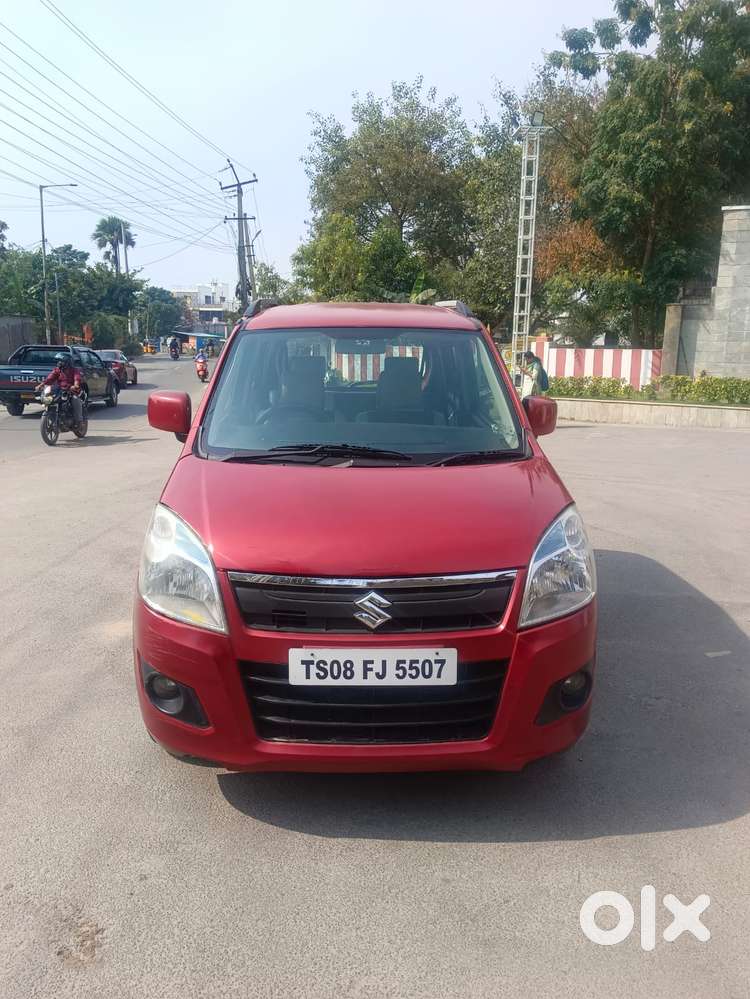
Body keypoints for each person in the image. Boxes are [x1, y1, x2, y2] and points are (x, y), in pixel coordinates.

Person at [37, 353, 84, 427]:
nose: (59, 363)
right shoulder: (57, 370)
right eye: (58, 361)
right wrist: (41, 385)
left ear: (67, 362)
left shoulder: (74, 370)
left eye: (61, 361)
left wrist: (75, 385)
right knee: (50, 398)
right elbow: (50, 378)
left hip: (71, 391)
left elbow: (77, 378)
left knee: (75, 400)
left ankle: (79, 421)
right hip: (60, 390)